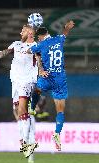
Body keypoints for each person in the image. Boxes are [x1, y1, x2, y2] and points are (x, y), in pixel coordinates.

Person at [0, 25, 38, 159]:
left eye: (23, 30)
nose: (20, 32)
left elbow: (39, 59)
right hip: (16, 81)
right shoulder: (16, 44)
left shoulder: (36, 46)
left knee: (23, 109)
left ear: (29, 32)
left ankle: (25, 141)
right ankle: (26, 140)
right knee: (18, 110)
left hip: (27, 81)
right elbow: (3, 53)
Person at [27, 21, 75, 151]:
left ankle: (32, 108)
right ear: (47, 33)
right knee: (60, 110)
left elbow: (28, 50)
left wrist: (38, 58)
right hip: (60, 78)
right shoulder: (58, 39)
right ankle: (57, 133)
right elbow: (64, 33)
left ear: (40, 37)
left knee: (36, 89)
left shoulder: (40, 44)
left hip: (47, 76)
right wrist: (67, 27)